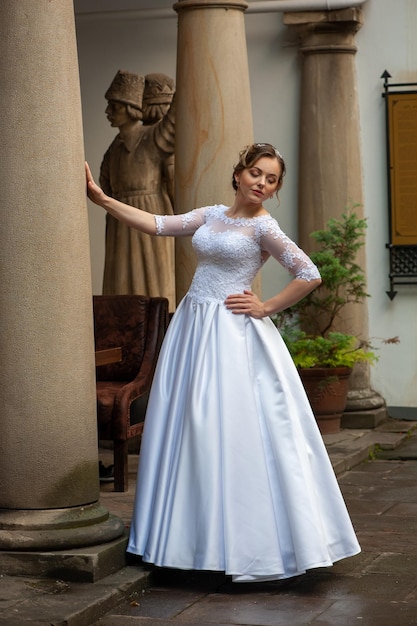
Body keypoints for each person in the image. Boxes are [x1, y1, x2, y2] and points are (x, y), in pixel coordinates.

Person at [86, 142, 360, 583]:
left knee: (230, 426)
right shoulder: (210, 215)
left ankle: (245, 544)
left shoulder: (264, 229)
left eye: (271, 179)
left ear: (274, 190)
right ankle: (184, 540)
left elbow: (309, 273)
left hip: (233, 333)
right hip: (194, 326)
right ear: (239, 175)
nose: (262, 183)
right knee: (189, 423)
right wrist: (102, 199)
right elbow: (157, 224)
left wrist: (266, 307)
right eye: (256, 173)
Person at [100, 70, 176, 310]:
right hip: (119, 222)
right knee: (119, 280)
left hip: (150, 214)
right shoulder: (115, 148)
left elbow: (175, 120)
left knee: (154, 277)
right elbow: (106, 184)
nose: (109, 113)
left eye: (116, 107)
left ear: (132, 108)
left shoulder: (152, 138)